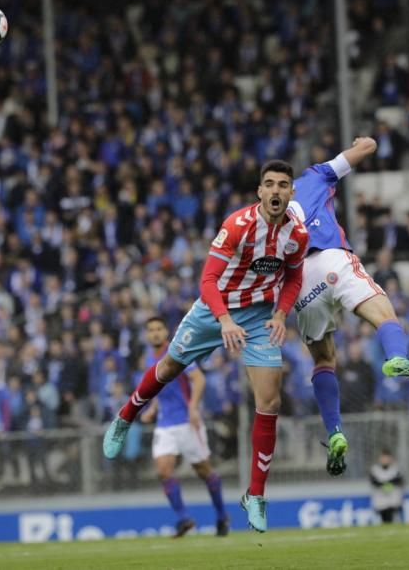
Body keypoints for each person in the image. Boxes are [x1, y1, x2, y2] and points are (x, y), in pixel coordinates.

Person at [102, 160, 308, 534]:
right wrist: (224, 320)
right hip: (215, 309)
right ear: (259, 191)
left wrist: (281, 314)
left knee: (271, 401)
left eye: (283, 185)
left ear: (291, 193)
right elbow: (208, 279)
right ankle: (126, 416)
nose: (276, 191)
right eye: (269, 184)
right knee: (168, 369)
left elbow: (294, 275)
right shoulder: (237, 226)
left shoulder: (297, 234)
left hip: (260, 316)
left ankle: (256, 494)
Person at [289, 137, 409, 477]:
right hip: (332, 259)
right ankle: (396, 356)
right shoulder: (315, 176)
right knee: (384, 313)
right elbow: (366, 149)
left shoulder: (263, 218)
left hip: (299, 281)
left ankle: (335, 431)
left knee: (324, 360)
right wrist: (365, 142)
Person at [138, 317, 230, 537]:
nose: (155, 333)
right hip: (165, 424)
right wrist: (152, 407)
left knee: (204, 471)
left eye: (159, 328)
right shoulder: (149, 358)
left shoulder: (178, 352)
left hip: (188, 422)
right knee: (163, 470)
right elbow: (159, 386)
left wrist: (192, 408)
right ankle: (183, 519)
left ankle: (221, 515)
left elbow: (199, 380)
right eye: (150, 330)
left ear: (165, 331)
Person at [369, 448, 405, 524]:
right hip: (380, 500)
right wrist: (385, 484)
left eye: (387, 458)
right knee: (383, 519)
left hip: (393, 499)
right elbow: (374, 482)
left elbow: (400, 480)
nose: (385, 460)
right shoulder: (375, 469)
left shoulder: (395, 469)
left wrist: (388, 483)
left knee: (393, 518)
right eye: (383, 457)